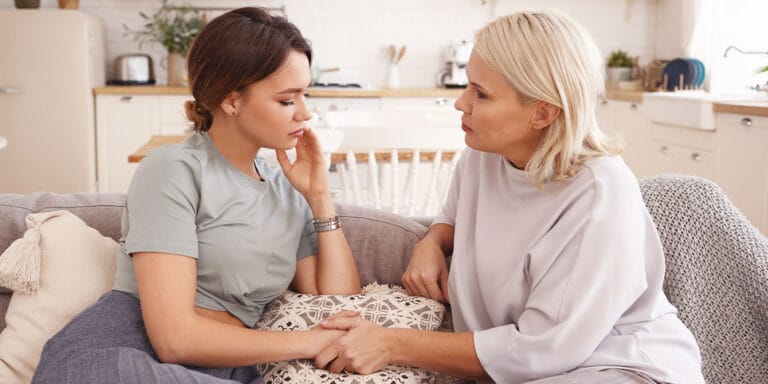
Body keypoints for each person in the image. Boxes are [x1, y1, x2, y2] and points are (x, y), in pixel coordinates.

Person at [315, 10, 704, 384]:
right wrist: (431, 242)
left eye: (481, 94)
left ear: (543, 113)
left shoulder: (599, 195)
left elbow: (542, 351)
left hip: (621, 368)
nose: (460, 102)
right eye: (468, 84)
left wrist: (388, 341)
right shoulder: (481, 158)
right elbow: (450, 219)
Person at [33, 7, 360, 384]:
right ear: (232, 100)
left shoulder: (288, 188)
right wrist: (306, 343)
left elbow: (335, 296)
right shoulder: (174, 169)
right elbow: (175, 339)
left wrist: (319, 195)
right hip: (119, 354)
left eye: (305, 95)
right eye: (287, 100)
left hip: (226, 365)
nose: (305, 113)